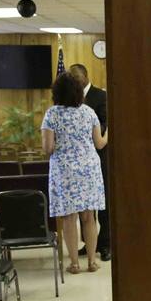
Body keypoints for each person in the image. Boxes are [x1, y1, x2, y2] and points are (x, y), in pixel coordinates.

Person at [43, 73, 108, 274]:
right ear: (79, 92)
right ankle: (91, 261)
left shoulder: (52, 114)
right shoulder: (88, 112)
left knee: (69, 218)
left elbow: (48, 148)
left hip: (64, 172)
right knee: (89, 217)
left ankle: (74, 263)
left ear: (57, 92)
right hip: (89, 170)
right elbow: (100, 143)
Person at [68, 63, 111, 261]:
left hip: (99, 157)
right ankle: (89, 244)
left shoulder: (100, 96)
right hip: (77, 161)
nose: (75, 81)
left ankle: (106, 244)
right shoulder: (70, 98)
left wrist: (88, 132)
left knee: (103, 205)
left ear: (85, 76)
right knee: (85, 207)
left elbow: (105, 122)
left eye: (77, 78)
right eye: (72, 78)